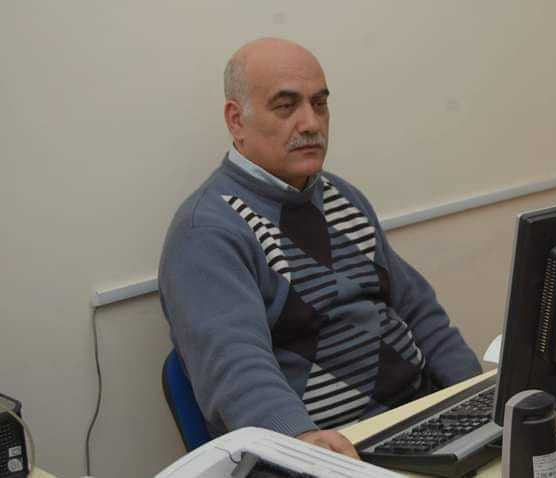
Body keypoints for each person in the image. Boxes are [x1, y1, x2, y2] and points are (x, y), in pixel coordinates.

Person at [158, 38, 482, 458]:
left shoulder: (344, 197)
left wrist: (477, 394)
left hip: (419, 422)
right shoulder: (206, 231)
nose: (311, 123)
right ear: (236, 121)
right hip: (335, 452)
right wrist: (302, 444)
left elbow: (420, 313)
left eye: (320, 104)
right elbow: (235, 367)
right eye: (286, 106)